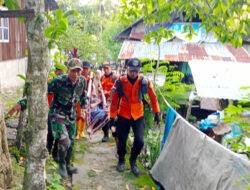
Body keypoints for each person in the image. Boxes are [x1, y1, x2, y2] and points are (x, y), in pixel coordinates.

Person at [10, 58, 87, 178]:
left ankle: (67, 164)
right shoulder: (58, 81)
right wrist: (22, 103)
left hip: (70, 115)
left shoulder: (82, 81)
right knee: (64, 140)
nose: (75, 74)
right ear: (68, 70)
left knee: (71, 142)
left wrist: (83, 107)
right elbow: (40, 92)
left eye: (78, 71)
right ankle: (61, 164)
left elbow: (82, 95)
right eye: (73, 71)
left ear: (81, 71)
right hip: (57, 113)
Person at [109, 58, 160, 176]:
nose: (133, 73)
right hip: (123, 114)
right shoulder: (120, 81)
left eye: (136, 71)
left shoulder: (144, 82)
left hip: (138, 114)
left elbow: (153, 97)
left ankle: (133, 161)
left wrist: (156, 112)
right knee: (121, 139)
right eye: (131, 70)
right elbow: (114, 101)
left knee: (140, 140)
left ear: (139, 70)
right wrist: (112, 117)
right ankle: (121, 160)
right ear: (127, 69)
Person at [100, 61, 118, 142]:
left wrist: (107, 93)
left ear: (111, 68)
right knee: (103, 119)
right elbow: (99, 87)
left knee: (112, 119)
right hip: (103, 101)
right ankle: (106, 135)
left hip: (113, 102)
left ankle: (115, 132)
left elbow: (116, 90)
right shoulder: (102, 77)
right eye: (104, 68)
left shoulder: (115, 77)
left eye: (107, 68)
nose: (106, 70)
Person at [75, 61, 91, 139]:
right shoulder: (78, 77)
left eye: (86, 69)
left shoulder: (90, 78)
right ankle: (78, 132)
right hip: (78, 98)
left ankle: (82, 131)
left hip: (86, 98)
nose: (85, 70)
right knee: (79, 115)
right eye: (83, 68)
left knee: (84, 115)